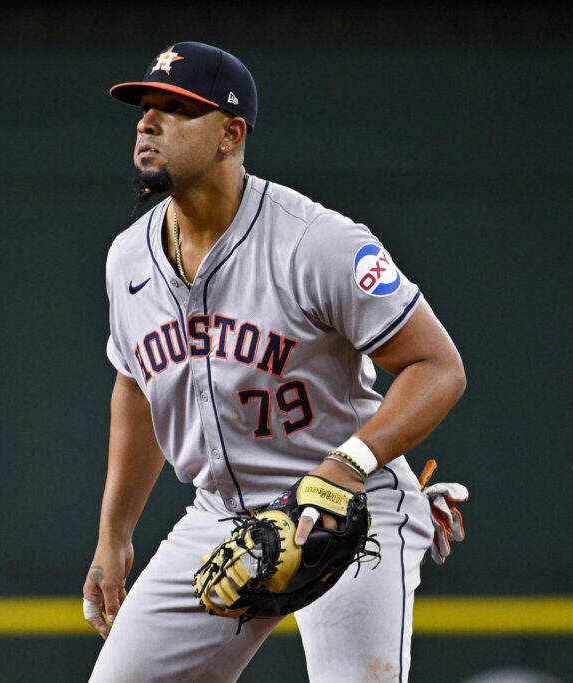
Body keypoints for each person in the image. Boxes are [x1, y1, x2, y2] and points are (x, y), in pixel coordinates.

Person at [82, 41, 466, 682]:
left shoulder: (317, 242)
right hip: (222, 514)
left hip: (351, 504)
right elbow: (137, 387)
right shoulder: (128, 259)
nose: (148, 122)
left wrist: (349, 466)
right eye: (145, 107)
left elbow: (438, 366)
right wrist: (114, 536)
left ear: (231, 134)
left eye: (176, 108)